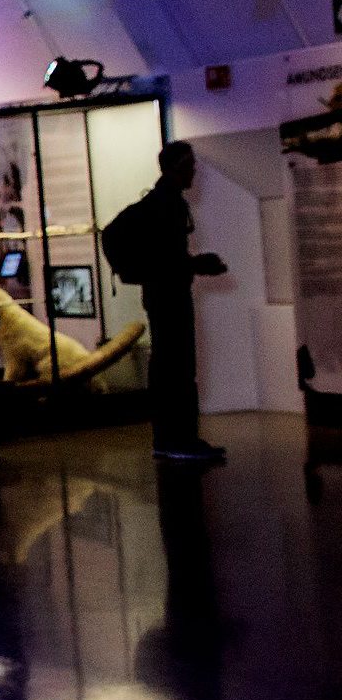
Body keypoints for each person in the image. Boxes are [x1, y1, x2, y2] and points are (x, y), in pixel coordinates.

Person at [135, 140, 229, 464]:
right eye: (189, 165)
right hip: (170, 296)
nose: (194, 171)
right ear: (176, 168)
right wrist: (198, 264)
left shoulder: (158, 201)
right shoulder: (169, 204)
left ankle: (166, 438)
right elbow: (169, 259)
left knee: (165, 367)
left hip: (159, 295)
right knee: (179, 367)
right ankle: (182, 439)